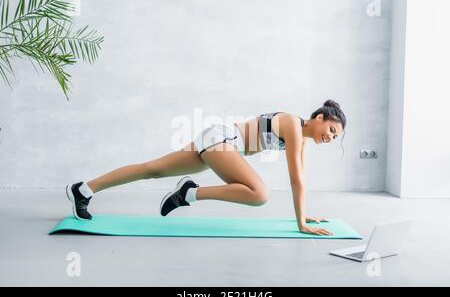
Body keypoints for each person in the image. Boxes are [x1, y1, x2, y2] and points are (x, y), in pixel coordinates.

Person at [65, 100, 346, 236]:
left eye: (335, 137)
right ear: (319, 117)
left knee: (152, 169)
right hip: (223, 142)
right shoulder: (293, 126)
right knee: (259, 193)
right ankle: (189, 193)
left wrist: (305, 215)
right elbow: (296, 179)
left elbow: (301, 178)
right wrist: (300, 224)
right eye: (331, 129)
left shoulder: (301, 140)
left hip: (218, 141)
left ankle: (84, 189)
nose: (330, 137)